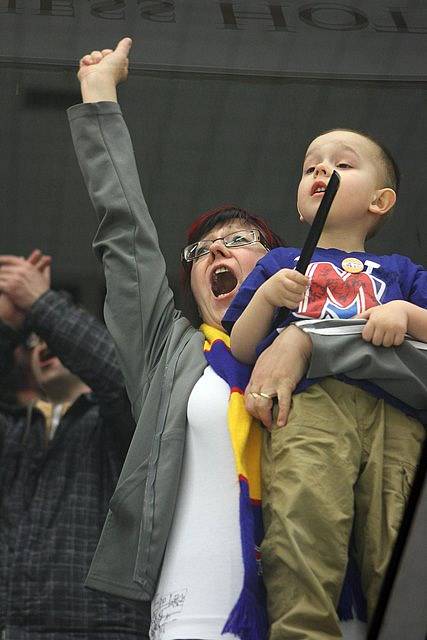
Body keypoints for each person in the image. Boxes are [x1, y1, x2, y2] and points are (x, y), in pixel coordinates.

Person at [67, 38, 427, 640]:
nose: (216, 252)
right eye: (202, 251)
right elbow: (124, 229)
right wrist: (99, 97)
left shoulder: (330, 299)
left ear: (281, 266)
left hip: (338, 612)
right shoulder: (175, 355)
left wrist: (306, 342)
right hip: (201, 616)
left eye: (238, 240)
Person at [223, 129, 427, 638]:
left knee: (398, 539)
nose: (320, 171)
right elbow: (244, 347)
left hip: (396, 415)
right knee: (301, 528)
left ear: (380, 202)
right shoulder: (279, 263)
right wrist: (268, 296)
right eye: (310, 165)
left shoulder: (402, 272)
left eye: (342, 164)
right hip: (309, 410)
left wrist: (404, 311)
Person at [0, 251, 150, 639]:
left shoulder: (117, 419)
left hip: (103, 630)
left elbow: (119, 376)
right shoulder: (14, 432)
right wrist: (6, 324)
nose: (43, 342)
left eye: (52, 332)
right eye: (33, 340)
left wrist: (41, 305)